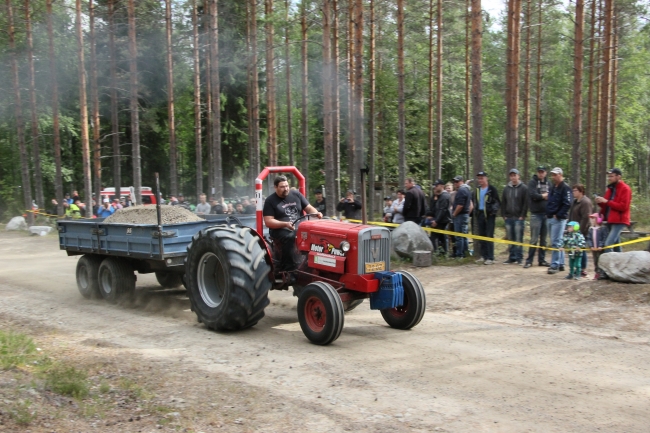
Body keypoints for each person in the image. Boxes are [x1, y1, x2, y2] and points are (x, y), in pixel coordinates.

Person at [263, 175, 322, 273]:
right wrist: (285, 224)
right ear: (275, 187)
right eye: (282, 187)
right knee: (290, 236)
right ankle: (289, 269)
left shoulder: (296, 194)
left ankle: (312, 264)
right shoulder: (270, 201)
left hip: (299, 227)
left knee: (317, 235)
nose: (285, 189)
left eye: (287, 186)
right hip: (279, 229)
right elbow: (268, 221)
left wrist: (316, 213)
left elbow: (309, 208)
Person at [595, 168, 632, 253]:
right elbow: (606, 205)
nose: (609, 178)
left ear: (618, 177)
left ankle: (609, 265)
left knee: (608, 245)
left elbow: (623, 206)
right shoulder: (610, 189)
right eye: (609, 176)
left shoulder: (625, 189)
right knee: (616, 246)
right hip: (610, 220)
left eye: (611, 176)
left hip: (620, 220)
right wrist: (599, 201)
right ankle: (621, 264)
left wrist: (607, 201)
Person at [546, 167, 572, 274]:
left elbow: (568, 203)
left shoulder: (565, 188)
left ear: (561, 175)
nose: (553, 177)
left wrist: (558, 214)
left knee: (556, 242)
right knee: (557, 241)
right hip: (550, 217)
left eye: (555, 174)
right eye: (552, 174)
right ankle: (561, 263)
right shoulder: (553, 187)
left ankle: (554, 264)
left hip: (559, 218)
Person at [524, 166, 551, 268]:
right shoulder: (532, 182)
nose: (541, 174)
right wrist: (543, 196)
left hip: (546, 214)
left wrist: (542, 197)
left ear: (545, 173)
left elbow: (551, 195)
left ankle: (542, 260)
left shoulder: (549, 183)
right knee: (534, 238)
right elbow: (532, 195)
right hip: (536, 214)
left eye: (542, 172)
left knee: (544, 239)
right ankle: (529, 260)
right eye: (539, 172)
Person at [472, 171, 500, 265]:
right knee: (482, 235)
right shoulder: (477, 190)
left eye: (482, 178)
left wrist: (493, 211)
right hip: (480, 214)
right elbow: (476, 201)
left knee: (489, 235)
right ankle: (483, 255)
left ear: (486, 178)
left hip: (489, 215)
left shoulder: (492, 189)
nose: (480, 180)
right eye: (479, 178)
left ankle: (490, 257)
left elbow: (497, 202)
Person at [501, 168, 529, 265]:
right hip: (508, 217)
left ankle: (519, 257)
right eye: (511, 175)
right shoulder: (506, 189)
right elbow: (503, 202)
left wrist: (523, 215)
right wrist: (504, 215)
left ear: (518, 176)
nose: (513, 177)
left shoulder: (524, 188)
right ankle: (512, 257)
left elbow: (526, 203)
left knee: (518, 238)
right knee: (511, 238)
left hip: (519, 217)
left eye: (515, 175)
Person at [568, 184, 592, 277]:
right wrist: (569, 227)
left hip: (582, 230)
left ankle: (583, 269)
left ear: (581, 191)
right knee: (575, 249)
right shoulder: (574, 202)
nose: (573, 192)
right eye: (573, 190)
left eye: (575, 191)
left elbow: (586, 218)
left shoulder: (585, 202)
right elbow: (571, 215)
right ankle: (576, 267)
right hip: (573, 229)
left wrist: (579, 231)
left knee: (581, 249)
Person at [427, 179, 452, 256]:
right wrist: (429, 215)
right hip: (438, 219)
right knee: (439, 237)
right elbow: (433, 208)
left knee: (437, 236)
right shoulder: (437, 196)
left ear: (442, 186)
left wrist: (436, 221)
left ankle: (438, 253)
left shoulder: (445, 196)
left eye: (437, 186)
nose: (435, 187)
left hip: (443, 220)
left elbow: (442, 210)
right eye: (435, 186)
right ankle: (441, 253)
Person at [451, 175, 471, 258]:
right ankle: (465, 253)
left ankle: (460, 255)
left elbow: (460, 205)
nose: (455, 183)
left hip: (460, 215)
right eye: (454, 182)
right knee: (464, 235)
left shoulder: (461, 190)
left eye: (457, 181)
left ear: (462, 181)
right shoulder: (466, 189)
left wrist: (454, 214)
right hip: (464, 215)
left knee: (459, 236)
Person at [586, 213, 609, 280]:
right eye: (591, 219)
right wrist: (591, 246)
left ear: (598, 219)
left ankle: (602, 273)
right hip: (594, 249)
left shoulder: (603, 228)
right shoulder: (591, 229)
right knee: (595, 261)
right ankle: (597, 273)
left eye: (594, 218)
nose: (592, 220)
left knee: (601, 260)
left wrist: (601, 245)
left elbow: (604, 237)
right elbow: (589, 238)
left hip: (600, 249)